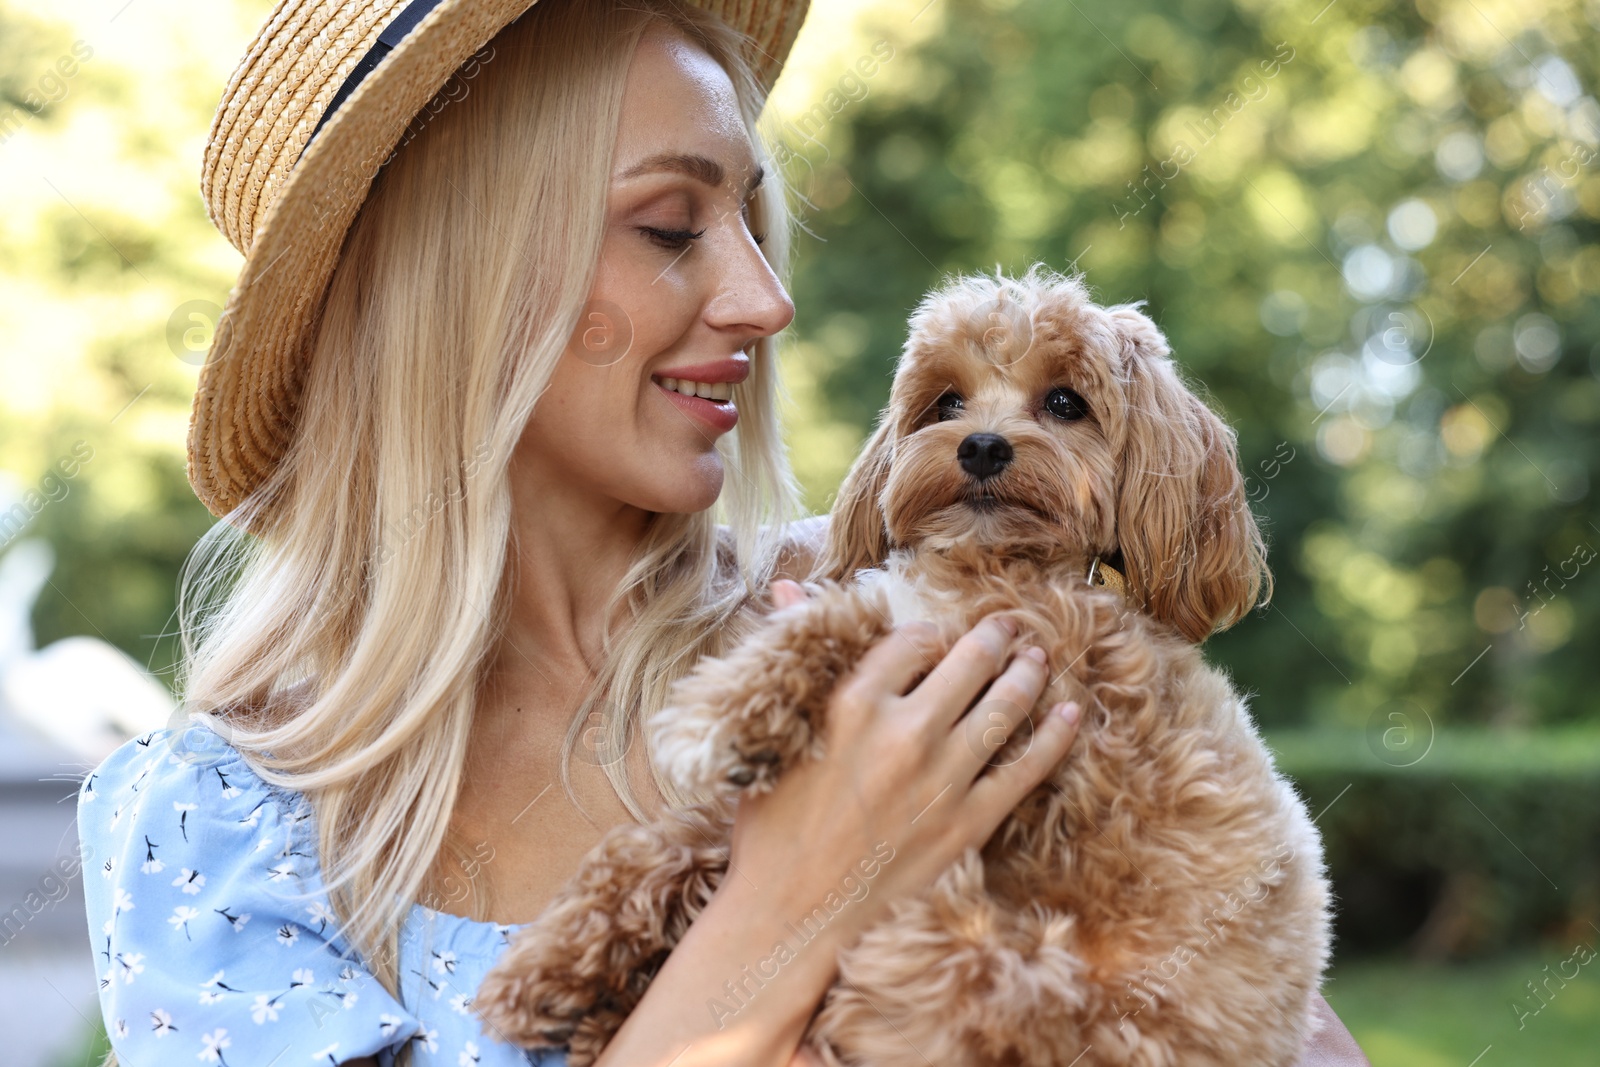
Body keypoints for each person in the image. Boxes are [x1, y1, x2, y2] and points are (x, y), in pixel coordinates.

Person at [77, 1, 1369, 1065]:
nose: (767, 296)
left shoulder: (904, 627)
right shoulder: (214, 830)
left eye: (753, 220)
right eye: (671, 226)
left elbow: (1258, 1016)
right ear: (455, 279)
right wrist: (800, 891)